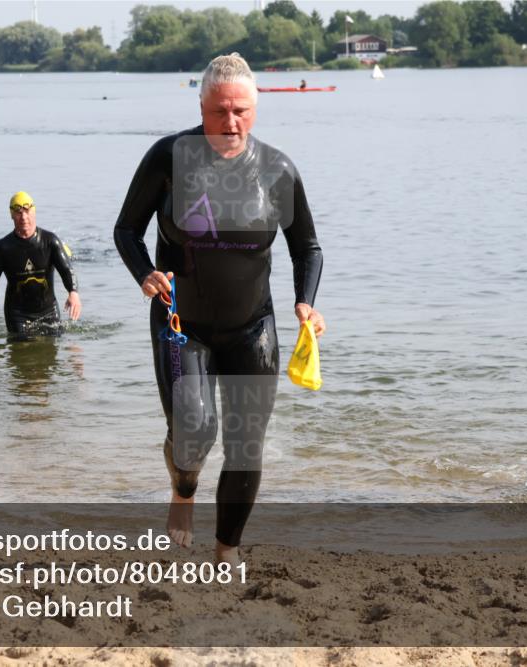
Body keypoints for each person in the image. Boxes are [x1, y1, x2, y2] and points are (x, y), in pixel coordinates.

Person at [114, 53, 325, 565]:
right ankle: (183, 492)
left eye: (242, 112)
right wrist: (145, 272)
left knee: (246, 444)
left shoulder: (277, 169)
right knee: (192, 432)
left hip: (253, 327)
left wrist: (305, 302)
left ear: (256, 107)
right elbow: (126, 230)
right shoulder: (168, 157)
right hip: (180, 325)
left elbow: (308, 248)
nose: (231, 123)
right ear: (202, 106)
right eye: (219, 111)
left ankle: (227, 547)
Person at [0, 192, 81, 340]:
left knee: (51, 353)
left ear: (34, 211)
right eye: (18, 212)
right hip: (17, 313)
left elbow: (67, 269)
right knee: (23, 350)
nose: (23, 217)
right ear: (11, 215)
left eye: (27, 211)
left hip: (48, 311)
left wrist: (73, 292)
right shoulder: (2, 248)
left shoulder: (50, 242)